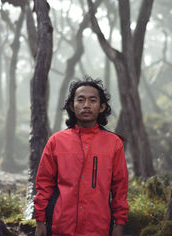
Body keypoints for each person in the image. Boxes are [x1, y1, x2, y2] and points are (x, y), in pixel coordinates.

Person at [34, 77, 129, 236]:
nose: (86, 105)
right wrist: (39, 222)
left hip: (99, 228)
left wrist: (119, 225)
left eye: (93, 100)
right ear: (72, 106)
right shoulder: (56, 141)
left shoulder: (114, 143)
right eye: (80, 100)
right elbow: (44, 184)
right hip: (61, 226)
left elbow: (120, 187)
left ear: (101, 107)